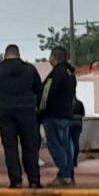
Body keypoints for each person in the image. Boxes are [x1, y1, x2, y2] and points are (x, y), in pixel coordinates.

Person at [0, 44, 43, 189]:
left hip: (6, 111)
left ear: (5, 54)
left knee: (10, 147)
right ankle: (34, 180)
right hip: (27, 112)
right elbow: (39, 89)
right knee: (30, 146)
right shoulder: (30, 69)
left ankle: (15, 180)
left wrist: (1, 94)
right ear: (18, 54)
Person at [38, 46, 77, 187]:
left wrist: (40, 112)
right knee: (66, 146)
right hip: (66, 114)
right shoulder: (70, 73)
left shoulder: (56, 74)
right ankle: (67, 175)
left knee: (56, 146)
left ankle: (65, 175)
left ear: (54, 58)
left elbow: (46, 94)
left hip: (53, 115)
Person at [70, 97, 85, 169]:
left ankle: (70, 160)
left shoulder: (68, 103)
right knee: (76, 142)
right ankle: (75, 160)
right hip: (78, 124)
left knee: (69, 143)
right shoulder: (80, 103)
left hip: (70, 124)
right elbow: (83, 114)